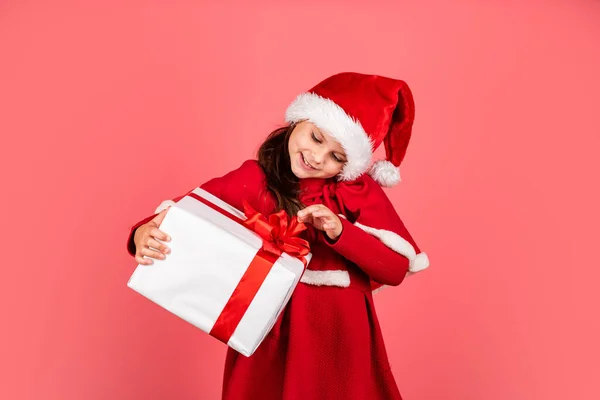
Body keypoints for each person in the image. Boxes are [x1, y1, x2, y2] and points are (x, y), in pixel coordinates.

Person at [125, 72, 430, 399]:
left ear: (350, 164)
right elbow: (185, 210)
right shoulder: (254, 179)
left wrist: (341, 231)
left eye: (336, 157)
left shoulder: (358, 193)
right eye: (316, 138)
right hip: (270, 329)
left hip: (341, 336)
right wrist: (144, 232)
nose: (317, 157)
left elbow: (395, 269)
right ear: (298, 121)